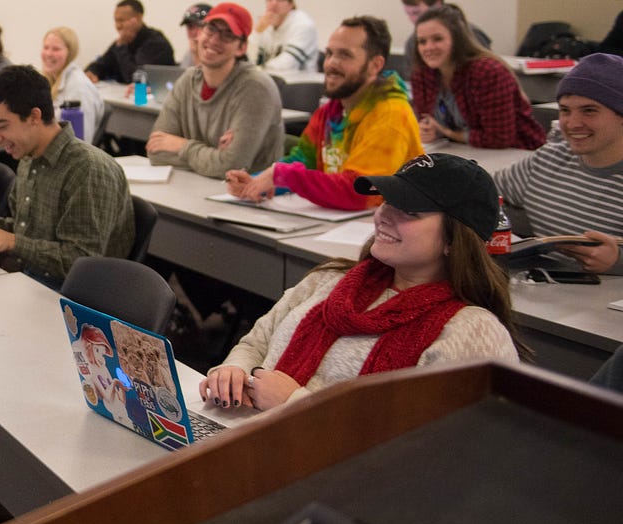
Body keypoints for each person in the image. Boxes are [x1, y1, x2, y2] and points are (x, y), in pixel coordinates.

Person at [201, 153, 526, 412]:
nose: (384, 216)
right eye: (387, 201)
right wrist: (233, 373)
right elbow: (255, 344)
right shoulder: (328, 280)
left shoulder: (472, 334)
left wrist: (295, 405)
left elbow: (431, 456)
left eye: (409, 212)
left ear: (455, 240)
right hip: (251, 442)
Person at [0, 64, 134, 286]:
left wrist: (14, 243)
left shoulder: (88, 169)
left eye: (2, 126)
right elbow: (24, 230)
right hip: (29, 284)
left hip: (75, 301)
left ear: (34, 116)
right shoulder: (28, 158)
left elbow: (82, 261)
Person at [227, 16, 422, 210]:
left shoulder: (391, 114)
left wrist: (281, 175)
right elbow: (304, 162)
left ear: (375, 65)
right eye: (329, 53)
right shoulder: (331, 111)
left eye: (345, 55)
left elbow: (360, 191)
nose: (331, 63)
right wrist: (255, 182)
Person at [493, 52, 623, 275]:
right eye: (565, 110)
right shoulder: (547, 160)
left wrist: (619, 261)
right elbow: (479, 192)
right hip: (545, 298)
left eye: (589, 110)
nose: (572, 123)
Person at [146, 3, 284, 178]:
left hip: (247, 197)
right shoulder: (187, 80)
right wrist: (214, 156)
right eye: (210, 29)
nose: (214, 40)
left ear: (241, 47)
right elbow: (156, 152)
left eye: (227, 35)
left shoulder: (256, 88)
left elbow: (231, 166)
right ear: (200, 33)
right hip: (196, 186)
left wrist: (182, 146)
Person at [409, 4, 545, 150]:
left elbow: (499, 138)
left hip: (517, 153)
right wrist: (427, 130)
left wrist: (448, 133)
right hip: (463, 153)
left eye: (437, 39)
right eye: (422, 42)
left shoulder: (488, 72)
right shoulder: (421, 75)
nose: (428, 48)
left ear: (457, 39)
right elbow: (427, 120)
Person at [397, 0, 492, 76]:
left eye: (416, 13)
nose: (412, 19)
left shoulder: (473, 34)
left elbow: (486, 74)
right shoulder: (412, 43)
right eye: (408, 14)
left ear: (437, 5)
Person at [84, 0, 176, 83]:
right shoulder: (122, 42)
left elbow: (135, 78)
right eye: (116, 21)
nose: (118, 26)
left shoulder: (156, 43)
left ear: (138, 18)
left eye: (122, 20)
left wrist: (122, 47)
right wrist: (91, 72)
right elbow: (102, 64)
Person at [39, 26, 104, 144]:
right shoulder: (50, 80)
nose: (48, 53)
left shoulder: (79, 88)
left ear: (70, 53)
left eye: (56, 49)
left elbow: (81, 140)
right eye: (46, 47)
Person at [253, 0, 319, 72]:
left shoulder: (303, 25)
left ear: (291, 4)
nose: (273, 3)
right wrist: (257, 32)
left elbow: (286, 64)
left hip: (300, 81)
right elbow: (250, 60)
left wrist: (255, 72)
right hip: (272, 78)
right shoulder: (266, 24)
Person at [176, 2, 211, 68]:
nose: (194, 32)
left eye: (200, 26)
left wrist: (197, 55)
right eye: (190, 26)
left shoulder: (217, 53)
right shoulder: (189, 54)